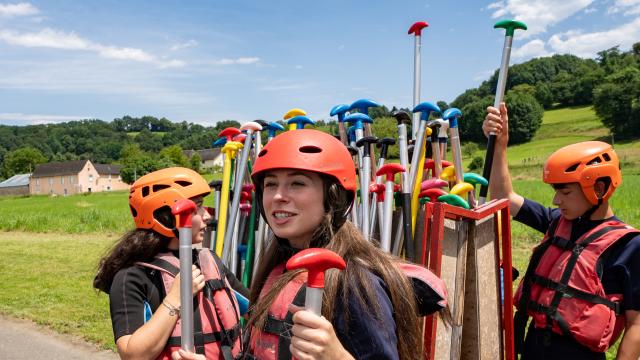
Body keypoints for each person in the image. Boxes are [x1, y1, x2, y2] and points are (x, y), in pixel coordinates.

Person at [243, 129, 447, 360]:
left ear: (334, 198)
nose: (279, 196)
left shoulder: (356, 283)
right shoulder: (278, 267)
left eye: (297, 183)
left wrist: (336, 356)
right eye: (271, 184)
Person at [483, 103, 640, 360]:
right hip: (533, 348)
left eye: (565, 192)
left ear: (598, 189)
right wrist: (500, 145)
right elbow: (504, 198)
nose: (556, 201)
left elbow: (637, 325)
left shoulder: (629, 246)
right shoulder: (557, 221)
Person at [93, 167, 249, 360]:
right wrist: (176, 298)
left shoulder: (209, 261)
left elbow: (254, 309)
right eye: (197, 206)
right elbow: (132, 355)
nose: (207, 215)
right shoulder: (131, 277)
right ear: (167, 215)